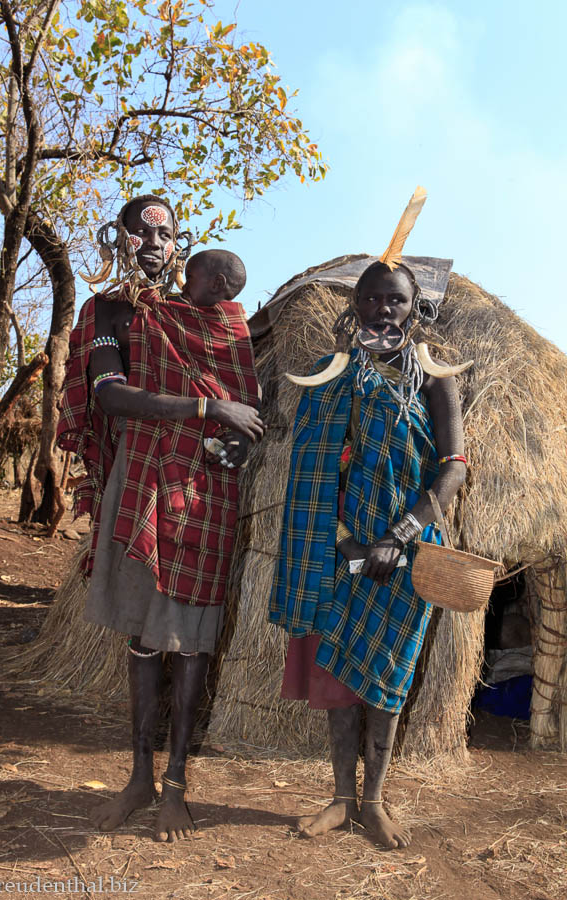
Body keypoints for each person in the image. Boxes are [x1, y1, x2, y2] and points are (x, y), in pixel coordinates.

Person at [57, 195, 263, 843]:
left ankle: (175, 785)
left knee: (195, 643)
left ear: (181, 244)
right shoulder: (109, 309)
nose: (155, 242)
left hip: (208, 492)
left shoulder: (210, 316)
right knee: (144, 642)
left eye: (167, 233)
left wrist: (231, 428)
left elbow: (244, 398)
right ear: (116, 236)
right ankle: (140, 777)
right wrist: (207, 413)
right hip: (143, 484)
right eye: (141, 231)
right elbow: (110, 395)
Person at [270, 192, 468, 849]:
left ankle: (376, 801)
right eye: (372, 299)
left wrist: (399, 536)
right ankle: (337, 798)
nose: (383, 309)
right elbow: (313, 478)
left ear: (415, 311)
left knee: (386, 681)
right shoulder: (331, 376)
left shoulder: (438, 378)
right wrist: (352, 543)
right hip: (344, 549)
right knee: (338, 677)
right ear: (355, 308)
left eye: (396, 301)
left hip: (408, 550)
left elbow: (452, 469)